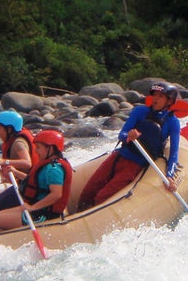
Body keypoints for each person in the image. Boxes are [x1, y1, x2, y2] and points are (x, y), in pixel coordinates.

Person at [77, 82, 181, 211]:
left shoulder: (173, 122)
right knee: (87, 193)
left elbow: (174, 153)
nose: (155, 98)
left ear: (169, 101)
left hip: (135, 165)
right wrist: (129, 136)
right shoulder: (140, 111)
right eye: (154, 95)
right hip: (118, 157)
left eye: (160, 96)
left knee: (101, 197)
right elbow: (122, 134)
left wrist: (170, 175)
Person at [0, 129, 73, 234]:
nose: (36, 151)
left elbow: (56, 194)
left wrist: (33, 207)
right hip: (38, 209)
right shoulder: (48, 166)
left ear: (50, 149)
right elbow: (33, 182)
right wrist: (15, 172)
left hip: (43, 214)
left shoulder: (54, 169)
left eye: (38, 148)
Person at [0, 110, 40, 234]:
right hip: (25, 183)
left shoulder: (18, 144)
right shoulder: (13, 141)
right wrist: (0, 166)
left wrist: (4, 161)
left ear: (9, 129)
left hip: (30, 188)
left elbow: (27, 163)